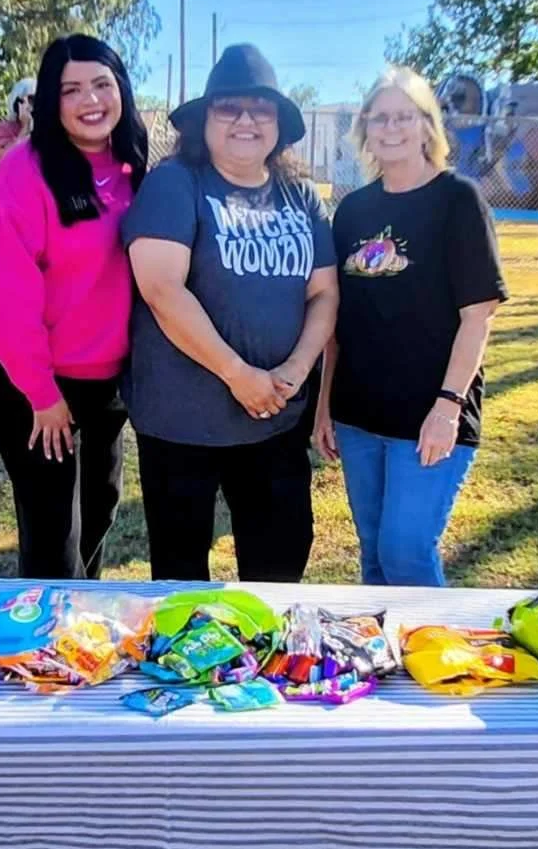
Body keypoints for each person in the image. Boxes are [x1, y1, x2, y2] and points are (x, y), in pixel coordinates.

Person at [123, 44, 338, 582]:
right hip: (182, 424)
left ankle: (263, 664)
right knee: (180, 579)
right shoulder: (176, 183)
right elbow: (161, 289)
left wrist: (293, 371)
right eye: (230, 108)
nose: (246, 120)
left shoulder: (300, 197)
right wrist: (239, 375)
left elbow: (324, 294)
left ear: (279, 125)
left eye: (261, 109)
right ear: (205, 120)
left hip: (276, 421)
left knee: (280, 566)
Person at [314, 67, 506, 587]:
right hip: (358, 417)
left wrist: (448, 407)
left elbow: (478, 315)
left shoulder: (458, 202)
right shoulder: (353, 211)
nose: (391, 128)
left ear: (427, 125)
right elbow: (337, 324)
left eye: (404, 116)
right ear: (365, 129)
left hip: (429, 417)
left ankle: (435, 660)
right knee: (374, 554)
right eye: (380, 118)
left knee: (406, 550)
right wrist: (324, 407)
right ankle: (382, 661)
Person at [0, 36, 147, 579]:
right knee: (53, 536)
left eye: (101, 84)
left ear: (121, 91)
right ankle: (45, 649)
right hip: (35, 386)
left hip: (105, 382)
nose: (90, 100)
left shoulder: (131, 166)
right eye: (71, 89)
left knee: (98, 513)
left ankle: (82, 632)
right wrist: (41, 396)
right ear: (49, 100)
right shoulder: (22, 175)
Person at [0, 78, 35, 166]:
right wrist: (25, 127)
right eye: (30, 101)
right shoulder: (3, 128)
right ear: (17, 103)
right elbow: (6, 159)